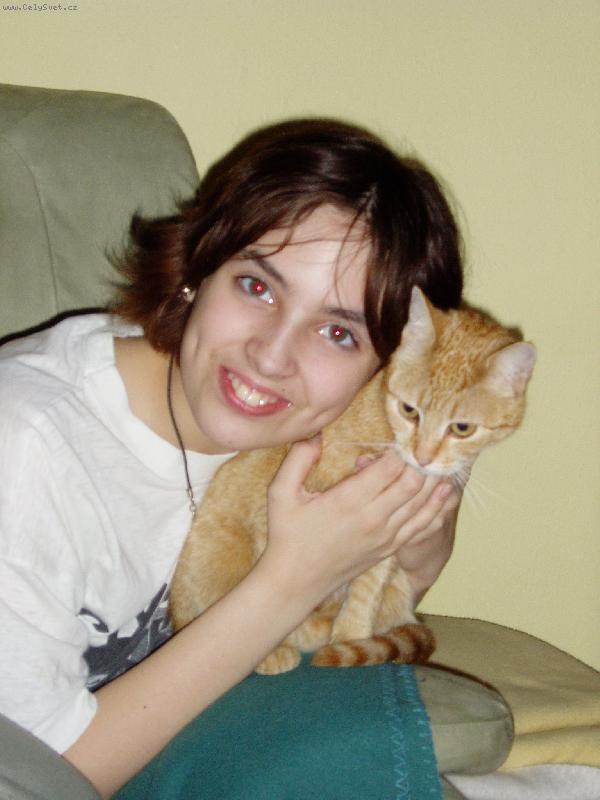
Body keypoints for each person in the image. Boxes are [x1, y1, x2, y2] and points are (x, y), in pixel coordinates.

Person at [0, 118, 463, 798]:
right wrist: (289, 581)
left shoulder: (319, 436)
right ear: (199, 268)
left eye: (338, 333)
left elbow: (383, 593)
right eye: (257, 287)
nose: (271, 356)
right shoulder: (26, 449)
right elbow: (40, 775)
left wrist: (422, 532)